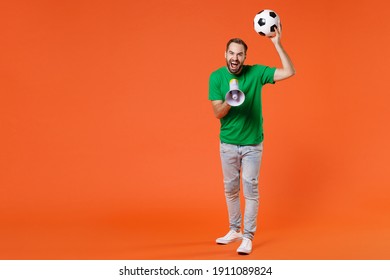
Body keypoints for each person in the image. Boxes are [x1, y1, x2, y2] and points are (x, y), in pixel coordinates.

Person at [208, 27, 295, 255]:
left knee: (250, 190)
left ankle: (247, 236)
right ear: (225, 54)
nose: (235, 58)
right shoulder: (216, 77)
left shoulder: (256, 73)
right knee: (230, 190)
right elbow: (217, 112)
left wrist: (276, 43)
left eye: (239, 54)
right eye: (231, 53)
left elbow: (289, 71)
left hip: (252, 145)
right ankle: (234, 230)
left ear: (245, 58)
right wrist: (230, 101)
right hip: (227, 144)